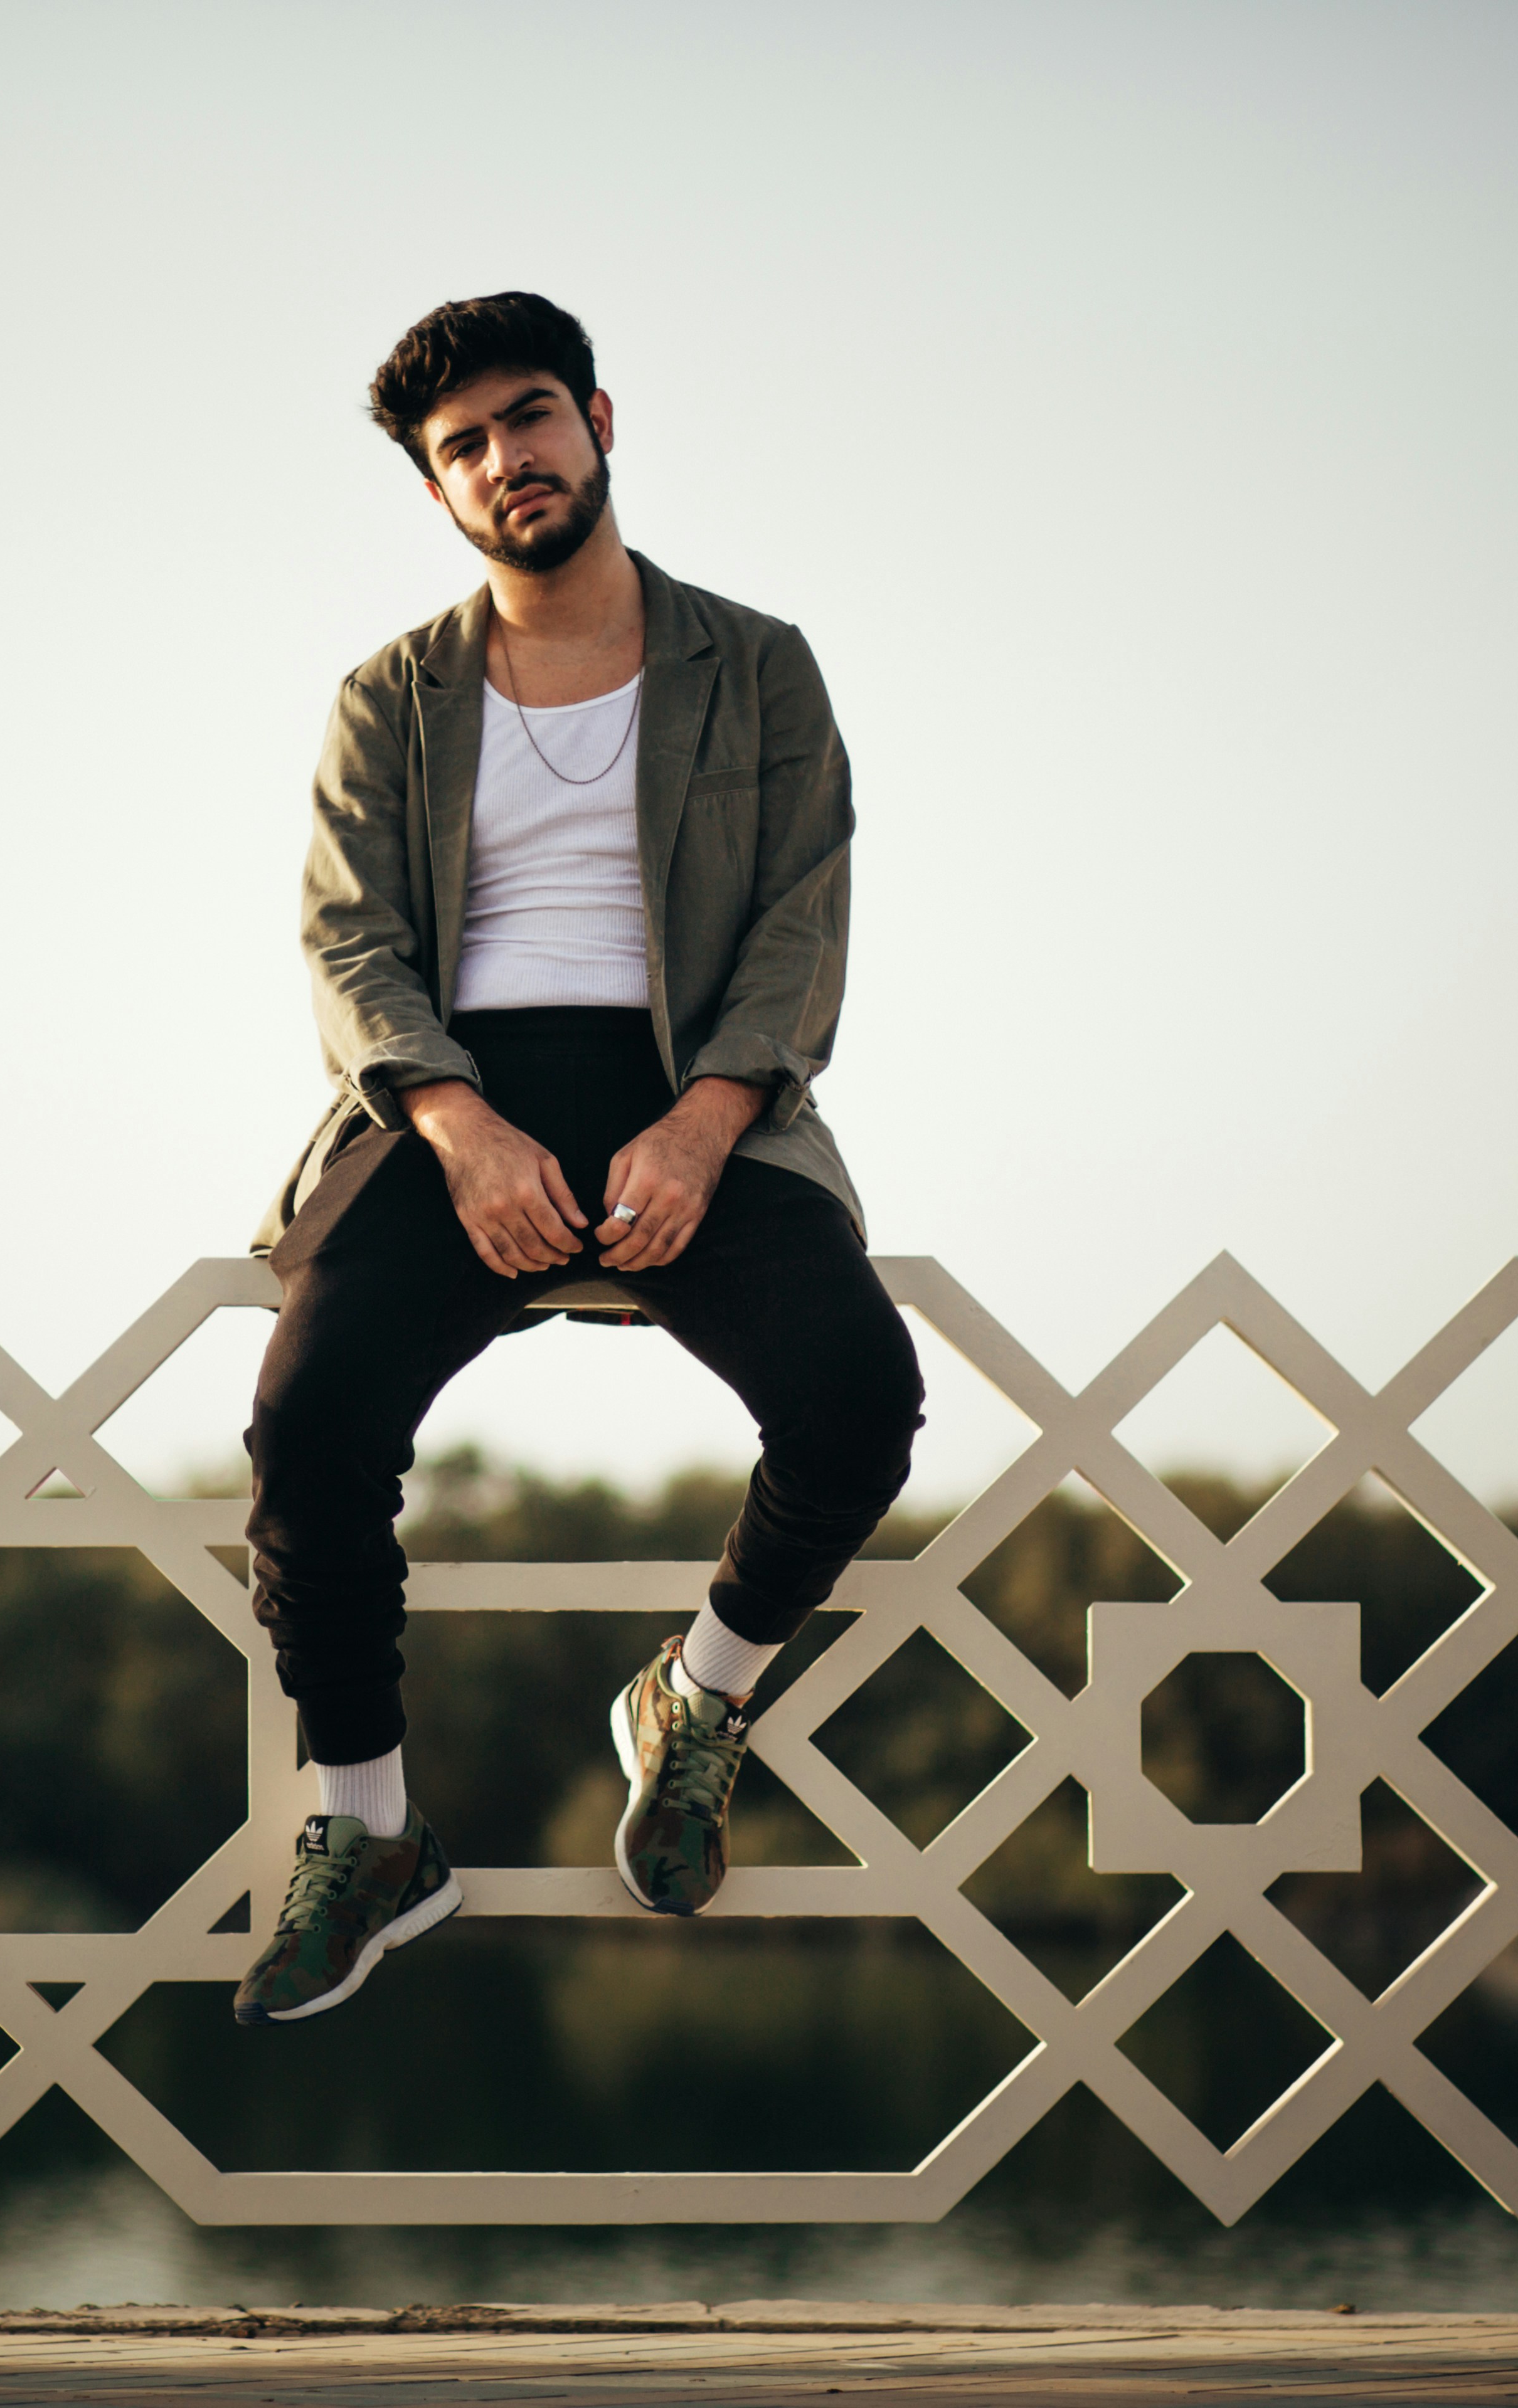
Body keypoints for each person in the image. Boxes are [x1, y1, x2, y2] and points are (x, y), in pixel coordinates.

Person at [230, 293, 924, 2025]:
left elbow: (802, 916)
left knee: (858, 1397)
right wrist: (458, 1130)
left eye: (528, 418)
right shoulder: (389, 695)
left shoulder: (757, 664)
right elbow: (349, 944)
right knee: (310, 1426)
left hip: (698, 1078)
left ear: (599, 421)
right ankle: (371, 1832)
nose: (503, 459)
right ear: (438, 490)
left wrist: (705, 1124)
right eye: (460, 447)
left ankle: (701, 1695)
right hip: (450, 1094)